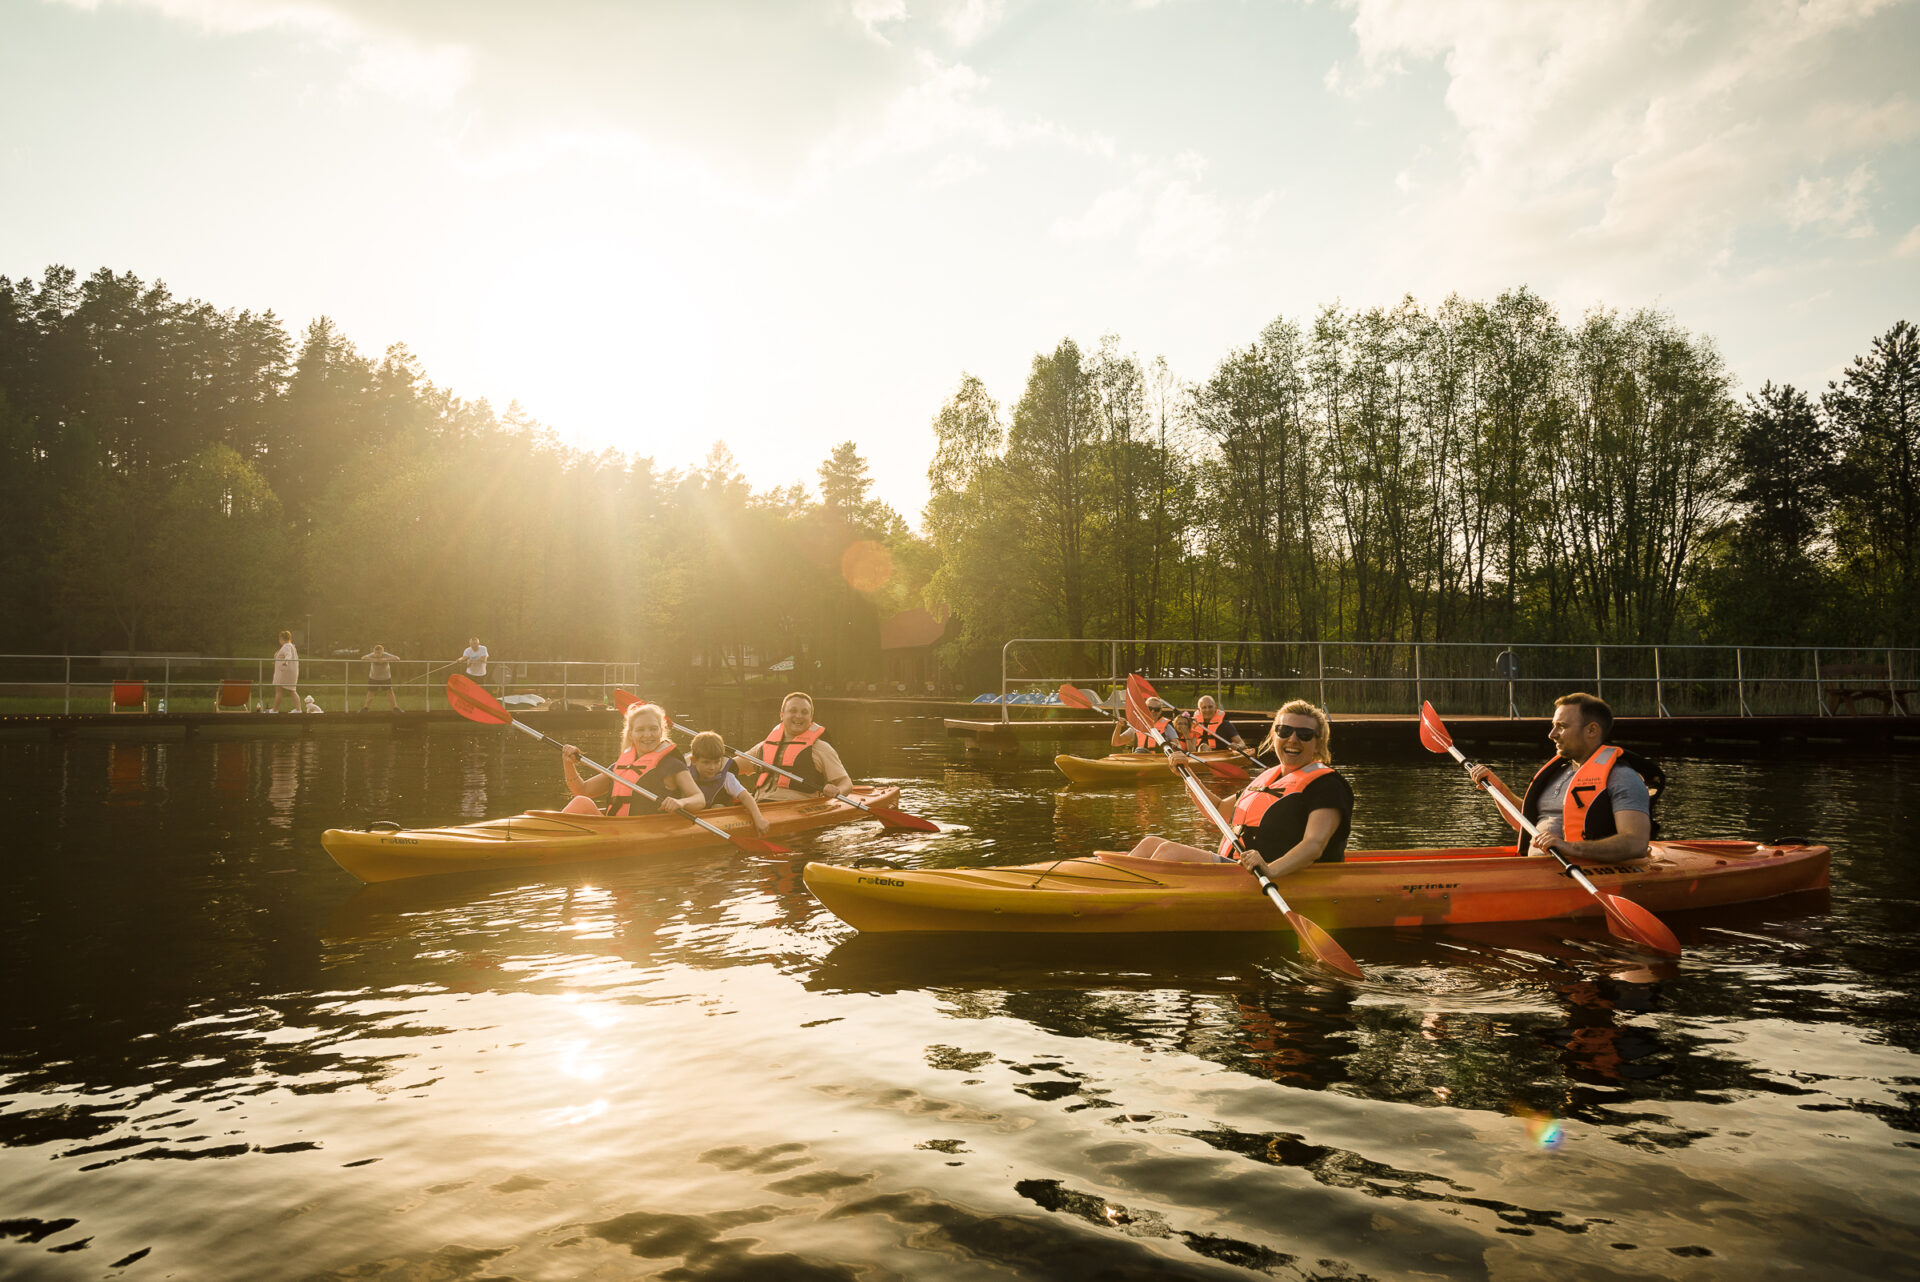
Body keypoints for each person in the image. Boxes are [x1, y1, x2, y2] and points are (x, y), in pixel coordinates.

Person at [1133, 699, 1353, 878]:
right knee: (1150, 843)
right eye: (1284, 731)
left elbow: (1314, 844)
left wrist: (1271, 869)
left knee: (1168, 853)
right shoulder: (1269, 777)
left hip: (1272, 876)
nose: (1292, 739)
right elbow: (1218, 810)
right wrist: (1187, 774)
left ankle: (1124, 902)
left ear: (1318, 741)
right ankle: (1107, 888)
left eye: (1303, 734)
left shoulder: (1328, 785)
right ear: (1274, 735)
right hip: (1241, 869)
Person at [1468, 692, 1652, 864]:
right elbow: (1524, 824)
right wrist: (1497, 788)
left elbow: (1635, 844)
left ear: (1591, 730)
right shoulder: (1558, 773)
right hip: (1534, 870)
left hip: (1580, 874)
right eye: (1553, 726)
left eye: (1561, 727)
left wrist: (1568, 847)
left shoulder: (1622, 777)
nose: (1552, 734)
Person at [557, 702, 703, 817]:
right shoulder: (620, 766)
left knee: (581, 802)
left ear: (661, 731)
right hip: (615, 828)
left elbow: (699, 798)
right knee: (582, 802)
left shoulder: (673, 765)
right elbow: (582, 791)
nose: (647, 735)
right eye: (640, 730)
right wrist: (568, 763)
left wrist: (681, 802)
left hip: (647, 829)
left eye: (653, 729)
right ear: (631, 735)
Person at [740, 691, 853, 800]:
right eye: (793, 711)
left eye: (804, 712)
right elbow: (732, 765)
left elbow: (845, 783)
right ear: (782, 715)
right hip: (759, 805)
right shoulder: (763, 746)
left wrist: (838, 791)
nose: (798, 716)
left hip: (796, 808)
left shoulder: (821, 748)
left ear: (811, 717)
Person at [686, 730, 771, 836]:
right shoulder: (684, 773)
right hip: (691, 815)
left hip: (717, 815)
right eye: (706, 762)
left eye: (717, 762)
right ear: (694, 760)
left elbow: (745, 797)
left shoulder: (726, 777)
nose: (712, 768)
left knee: (718, 807)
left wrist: (759, 819)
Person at [1110, 696, 1176, 751]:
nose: (1153, 711)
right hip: (1140, 758)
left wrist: (1174, 745)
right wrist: (1118, 726)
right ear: (1144, 709)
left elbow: (1178, 744)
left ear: (1160, 711)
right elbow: (1116, 743)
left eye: (1156, 709)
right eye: (1149, 708)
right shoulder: (1136, 727)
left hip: (1158, 759)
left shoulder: (1167, 726)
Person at [360, 644, 402, 711]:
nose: (377, 654)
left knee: (390, 691)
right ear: (374, 651)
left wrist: (385, 659)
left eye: (379, 653)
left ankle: (395, 707)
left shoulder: (386, 654)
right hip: (373, 677)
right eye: (376, 652)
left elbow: (397, 658)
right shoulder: (372, 655)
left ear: (382, 652)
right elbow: (363, 658)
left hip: (386, 677)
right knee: (371, 692)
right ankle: (365, 708)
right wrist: (374, 659)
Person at [268, 630, 301, 713]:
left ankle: (275, 710)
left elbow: (288, 655)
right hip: (290, 672)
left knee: (279, 690)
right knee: (292, 690)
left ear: (281, 638)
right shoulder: (291, 646)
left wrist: (285, 662)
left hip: (283, 672)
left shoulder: (286, 646)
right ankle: (298, 709)